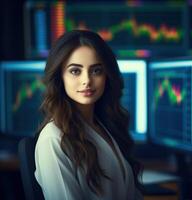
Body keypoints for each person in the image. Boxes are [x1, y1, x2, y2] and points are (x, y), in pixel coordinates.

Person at [34, 30, 143, 200]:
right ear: (60, 77)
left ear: (107, 75)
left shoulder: (105, 126)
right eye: (75, 71)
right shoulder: (54, 139)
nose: (87, 81)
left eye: (96, 71)